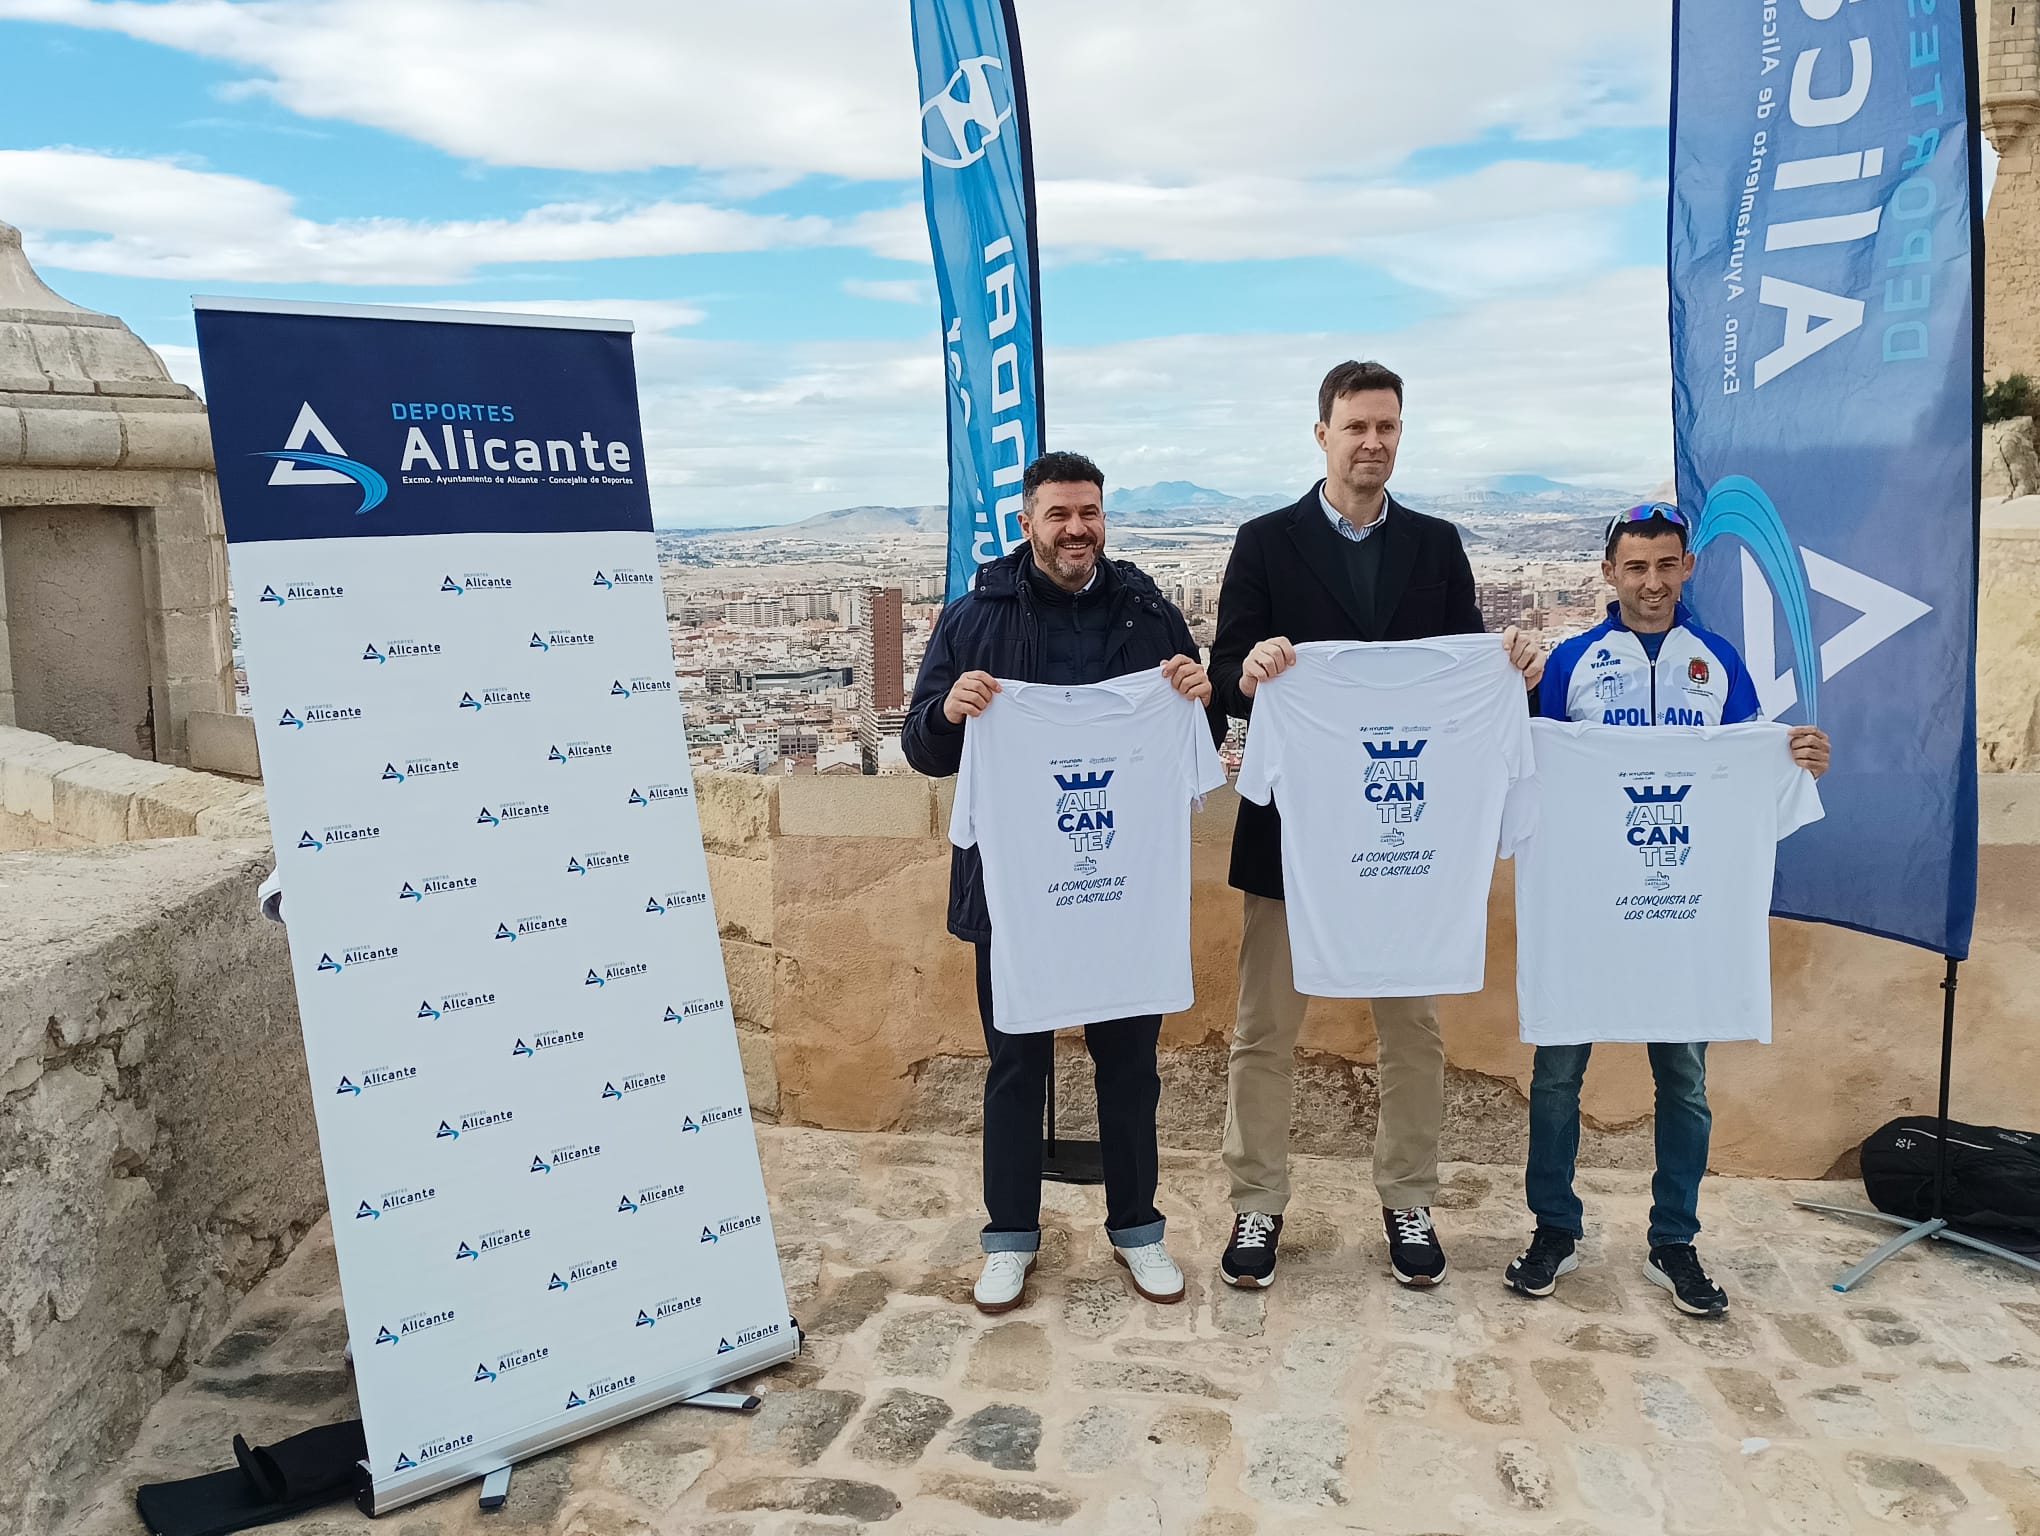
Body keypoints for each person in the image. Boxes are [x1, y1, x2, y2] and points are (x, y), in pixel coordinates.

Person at [1208, 360, 1543, 1291]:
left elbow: (1463, 663)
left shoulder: (1436, 546)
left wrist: (1505, 659)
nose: (1372, 442)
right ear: (1322, 433)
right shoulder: (1264, 542)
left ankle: (1409, 1197)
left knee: (1415, 1032)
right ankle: (1256, 1207)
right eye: (1356, 425)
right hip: (1294, 835)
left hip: (1408, 845)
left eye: (1387, 426)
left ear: (1402, 433)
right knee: (1264, 1029)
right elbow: (1228, 658)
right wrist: (1255, 662)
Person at [902, 450, 1222, 1315]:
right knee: (1015, 1067)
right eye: (1059, 515)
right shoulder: (975, 618)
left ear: (1103, 519)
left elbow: (1199, 731)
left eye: (1090, 513)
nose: (1076, 529)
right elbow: (921, 745)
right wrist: (948, 711)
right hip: (1011, 891)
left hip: (1122, 888)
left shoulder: (1148, 609)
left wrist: (1201, 692)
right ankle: (1009, 1238)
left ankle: (1138, 1230)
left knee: (1130, 1070)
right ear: (1028, 523)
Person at [1502, 502, 1831, 1316]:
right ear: (1609, 574)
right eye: (1636, 566)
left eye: (1667, 564)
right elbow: (1527, 771)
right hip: (1586, 909)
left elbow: (1752, 777)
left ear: (1688, 569)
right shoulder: (1572, 664)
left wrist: (1798, 762)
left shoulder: (1717, 664)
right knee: (1556, 1073)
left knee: (1683, 1078)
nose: (1652, 581)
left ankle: (1674, 1239)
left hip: (1681, 909)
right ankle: (1555, 1229)